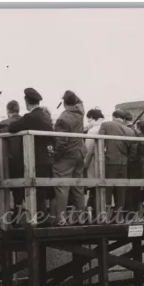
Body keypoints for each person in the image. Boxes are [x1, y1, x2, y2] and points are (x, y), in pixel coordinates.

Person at [8, 88, 55, 223]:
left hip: (35, 160)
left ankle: (36, 220)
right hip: (46, 158)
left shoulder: (30, 117)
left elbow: (13, 128)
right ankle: (43, 218)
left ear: (27, 102)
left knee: (35, 191)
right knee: (42, 192)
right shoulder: (45, 116)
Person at [51, 90, 87, 224]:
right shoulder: (80, 113)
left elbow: (61, 142)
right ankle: (81, 218)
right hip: (79, 154)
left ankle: (61, 219)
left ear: (64, 102)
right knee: (78, 187)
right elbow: (80, 102)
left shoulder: (63, 118)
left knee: (62, 187)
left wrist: (55, 156)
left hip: (66, 156)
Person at [98, 109, 136, 219]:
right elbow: (133, 149)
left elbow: (100, 143)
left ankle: (106, 217)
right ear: (123, 119)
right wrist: (128, 159)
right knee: (121, 192)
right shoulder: (130, 131)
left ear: (113, 117)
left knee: (107, 191)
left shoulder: (106, 125)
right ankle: (119, 217)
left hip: (109, 162)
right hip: (123, 163)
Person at [0, 100, 23, 217]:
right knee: (21, 192)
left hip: (8, 164)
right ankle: (20, 215)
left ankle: (5, 218)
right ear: (18, 110)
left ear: (8, 111)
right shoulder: (25, 122)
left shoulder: (3, 124)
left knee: (5, 191)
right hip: (25, 163)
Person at [83, 108, 106, 214]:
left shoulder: (92, 131)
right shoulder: (108, 127)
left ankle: (94, 215)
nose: (88, 123)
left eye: (88, 120)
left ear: (92, 118)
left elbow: (88, 150)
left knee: (93, 191)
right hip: (107, 165)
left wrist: (85, 165)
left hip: (94, 164)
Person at [124, 111, 143, 214]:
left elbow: (133, 150)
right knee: (135, 190)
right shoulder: (135, 131)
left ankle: (129, 213)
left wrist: (129, 160)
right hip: (137, 164)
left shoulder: (127, 131)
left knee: (128, 190)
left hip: (130, 164)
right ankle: (135, 212)